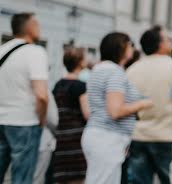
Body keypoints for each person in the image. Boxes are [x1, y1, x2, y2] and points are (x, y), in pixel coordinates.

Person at [82, 33, 152, 184]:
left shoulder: (99, 69)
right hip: (107, 138)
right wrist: (143, 103)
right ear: (121, 48)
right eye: (130, 45)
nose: (132, 48)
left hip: (99, 134)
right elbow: (115, 111)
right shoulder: (114, 72)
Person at [0, 13, 50, 184]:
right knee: (22, 177)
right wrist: (42, 120)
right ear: (29, 28)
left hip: (1, 118)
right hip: (24, 121)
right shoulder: (35, 52)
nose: (40, 28)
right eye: (37, 24)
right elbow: (42, 95)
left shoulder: (2, 50)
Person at [125, 27, 172, 184]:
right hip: (167, 135)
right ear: (160, 44)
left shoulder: (132, 69)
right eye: (168, 39)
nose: (171, 41)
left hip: (138, 135)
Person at [52, 48, 90, 183]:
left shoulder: (58, 85)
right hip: (77, 140)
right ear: (80, 63)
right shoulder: (81, 86)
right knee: (77, 179)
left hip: (61, 137)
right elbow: (87, 114)